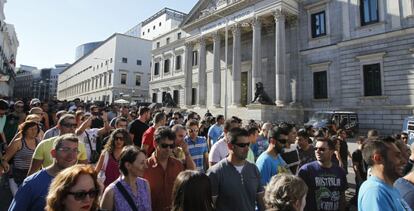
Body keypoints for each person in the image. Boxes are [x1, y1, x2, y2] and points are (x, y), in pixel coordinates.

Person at [8, 134, 80, 211]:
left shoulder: (81, 180)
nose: (71, 155)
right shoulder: (32, 183)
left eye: (75, 150)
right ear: (53, 153)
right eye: (65, 150)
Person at [207, 127, 265, 211]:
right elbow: (210, 206)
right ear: (230, 146)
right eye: (242, 145)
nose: (247, 148)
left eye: (248, 144)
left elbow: (261, 201)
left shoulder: (253, 169)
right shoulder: (215, 173)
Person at [358, 137, 411, 210]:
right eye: (397, 156)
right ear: (378, 158)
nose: (404, 161)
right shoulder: (375, 192)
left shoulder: (388, 187)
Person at [298, 138, 347, 211]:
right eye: (315, 148)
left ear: (331, 152)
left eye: (322, 149)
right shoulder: (306, 170)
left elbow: (342, 196)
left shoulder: (340, 171)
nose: (317, 151)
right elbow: (298, 197)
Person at [143, 126, 184, 211]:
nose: (168, 149)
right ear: (155, 144)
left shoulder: (178, 165)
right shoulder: (144, 167)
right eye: (164, 145)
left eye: (171, 146)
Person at [100, 146, 151, 211]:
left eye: (145, 162)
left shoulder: (145, 185)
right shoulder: (111, 192)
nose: (146, 166)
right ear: (128, 165)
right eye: (142, 163)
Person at [1, 121, 40, 195]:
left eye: (35, 129)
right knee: (20, 199)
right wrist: (5, 164)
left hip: (33, 175)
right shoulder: (18, 142)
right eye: (31, 129)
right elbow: (5, 158)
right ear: (25, 131)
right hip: (18, 176)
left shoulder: (39, 142)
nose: (34, 131)